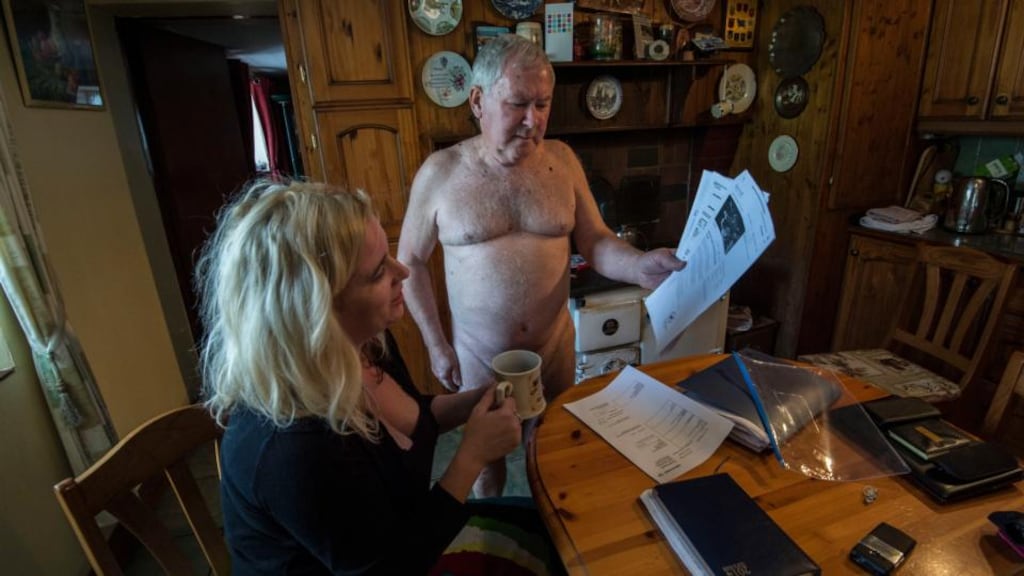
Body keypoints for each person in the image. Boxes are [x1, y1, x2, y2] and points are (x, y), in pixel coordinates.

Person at [199, 179, 561, 574]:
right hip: (396, 561)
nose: (402, 271)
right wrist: (472, 456)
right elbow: (390, 568)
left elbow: (416, 415)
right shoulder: (294, 447)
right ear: (318, 310)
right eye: (376, 273)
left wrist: (479, 399)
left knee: (558, 523)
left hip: (410, 534)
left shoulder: (365, 344)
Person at [398, 35, 685, 497]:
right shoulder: (440, 173)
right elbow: (409, 260)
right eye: (517, 104)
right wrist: (435, 344)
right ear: (478, 101)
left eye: (543, 104)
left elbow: (594, 240)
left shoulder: (564, 161)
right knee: (486, 466)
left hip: (554, 349)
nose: (533, 121)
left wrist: (639, 266)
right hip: (479, 356)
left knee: (549, 450)